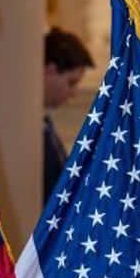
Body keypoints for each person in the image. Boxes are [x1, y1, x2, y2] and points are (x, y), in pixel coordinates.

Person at [42, 27, 95, 200]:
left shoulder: (45, 124)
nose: (72, 92)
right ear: (50, 70)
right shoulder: (32, 127)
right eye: (70, 82)